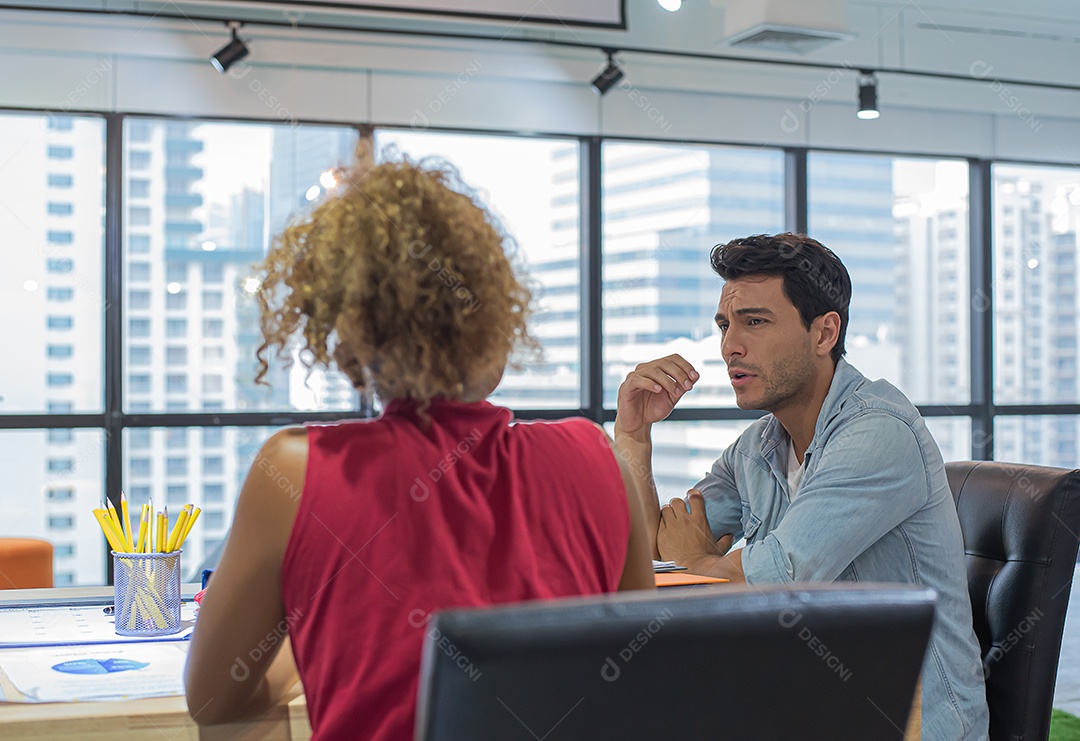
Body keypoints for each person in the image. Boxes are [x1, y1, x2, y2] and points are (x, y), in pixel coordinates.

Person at [185, 150, 654, 740]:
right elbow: (640, 676)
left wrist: (311, 649)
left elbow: (213, 700)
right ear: (495, 316)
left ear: (351, 342)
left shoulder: (299, 472)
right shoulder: (597, 457)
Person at [614, 233, 989, 741]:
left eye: (755, 322)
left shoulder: (878, 433)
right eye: (725, 325)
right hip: (811, 706)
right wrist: (634, 434)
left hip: (910, 725)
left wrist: (698, 562)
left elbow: (769, 584)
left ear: (824, 333)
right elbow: (655, 558)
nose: (729, 346)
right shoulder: (756, 447)